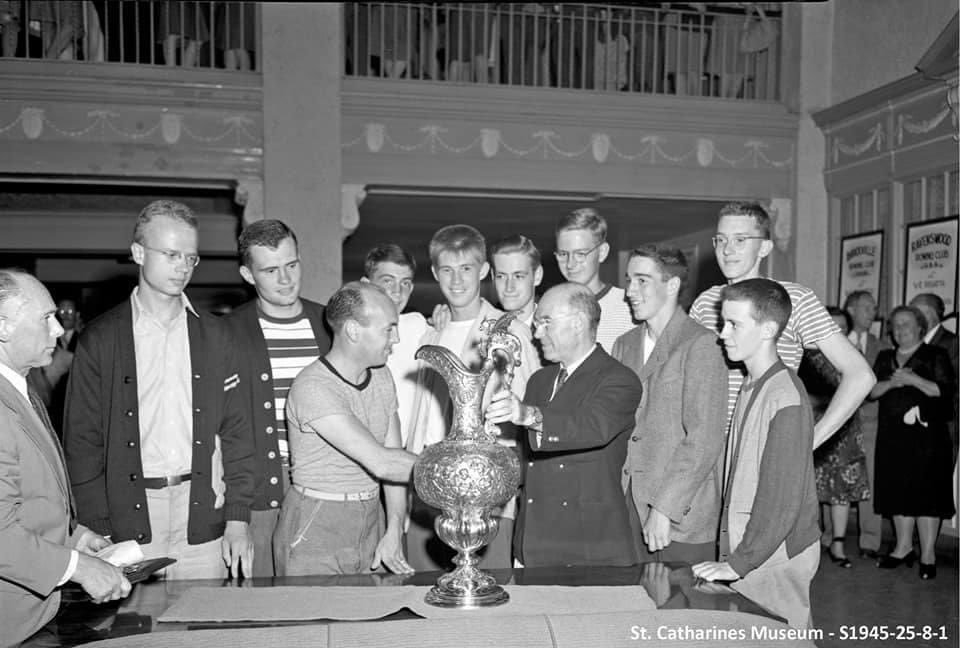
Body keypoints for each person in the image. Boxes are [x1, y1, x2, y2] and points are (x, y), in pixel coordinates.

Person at [64, 200, 255, 580]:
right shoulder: (101, 339)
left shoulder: (216, 336)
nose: (183, 266)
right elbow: (82, 442)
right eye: (170, 254)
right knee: (135, 636)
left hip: (201, 512)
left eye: (191, 257)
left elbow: (237, 432)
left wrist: (238, 518)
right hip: (128, 516)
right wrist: (98, 526)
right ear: (138, 253)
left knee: (204, 636)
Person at [0, 269, 130, 646]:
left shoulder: (20, 387)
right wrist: (78, 567)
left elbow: (25, 499)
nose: (59, 330)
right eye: (46, 319)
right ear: (3, 327)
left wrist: (72, 537)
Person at [406, 225, 539, 571]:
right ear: (435, 273)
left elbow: (530, 410)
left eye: (466, 269)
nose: (457, 280)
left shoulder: (509, 332)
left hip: (487, 493)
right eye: (447, 270)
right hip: (429, 488)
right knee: (423, 598)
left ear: (482, 271)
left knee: (489, 604)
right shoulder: (430, 329)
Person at [689, 202, 875, 449]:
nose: (728, 250)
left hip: (763, 445)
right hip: (709, 449)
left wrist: (810, 442)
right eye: (721, 240)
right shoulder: (705, 303)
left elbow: (861, 375)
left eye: (740, 240)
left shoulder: (793, 299)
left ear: (764, 247)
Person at [693, 278, 820, 630]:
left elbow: (781, 498)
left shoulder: (785, 396)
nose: (722, 333)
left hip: (774, 557)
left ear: (768, 329)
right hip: (752, 551)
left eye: (734, 323)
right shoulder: (751, 386)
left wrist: (739, 562)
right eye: (722, 322)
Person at [485, 282, 642, 567]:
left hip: (586, 547)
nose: (536, 333)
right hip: (530, 543)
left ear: (579, 323)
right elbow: (526, 461)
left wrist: (529, 416)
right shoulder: (539, 381)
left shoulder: (619, 379)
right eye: (536, 324)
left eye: (546, 323)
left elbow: (592, 427)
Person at [274, 282, 416, 576]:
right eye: (388, 329)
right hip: (316, 524)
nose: (397, 338)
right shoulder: (312, 388)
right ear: (353, 330)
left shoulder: (382, 376)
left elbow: (394, 457)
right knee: (314, 620)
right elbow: (383, 463)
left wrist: (393, 529)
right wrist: (456, 466)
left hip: (370, 519)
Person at [221, 220, 331, 578]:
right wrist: (236, 517)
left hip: (322, 489)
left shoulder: (330, 325)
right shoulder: (226, 332)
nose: (285, 280)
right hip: (257, 493)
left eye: (292, 265)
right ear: (248, 274)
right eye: (270, 270)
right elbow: (221, 430)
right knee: (263, 610)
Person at [612, 245, 728, 563]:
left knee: (679, 609)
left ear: (672, 285)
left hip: (679, 515)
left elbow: (703, 440)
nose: (629, 291)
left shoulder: (701, 344)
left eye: (642, 280)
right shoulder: (625, 344)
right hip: (627, 503)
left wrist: (664, 508)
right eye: (629, 280)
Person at [870, 305, 954, 580]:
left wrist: (914, 380)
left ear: (920, 327)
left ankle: (927, 554)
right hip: (893, 437)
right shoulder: (884, 357)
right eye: (895, 325)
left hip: (928, 438)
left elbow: (944, 392)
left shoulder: (935, 355)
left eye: (906, 324)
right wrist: (892, 384)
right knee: (898, 490)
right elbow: (871, 391)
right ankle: (902, 548)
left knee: (927, 493)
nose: (900, 330)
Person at [799, 306, 871, 569]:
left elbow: (864, 387)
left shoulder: (854, 355)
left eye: (842, 326)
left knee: (841, 489)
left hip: (845, 429)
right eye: (832, 325)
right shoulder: (806, 355)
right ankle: (811, 540)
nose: (837, 331)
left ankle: (838, 544)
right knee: (812, 488)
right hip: (813, 425)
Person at [843, 290, 887, 559]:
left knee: (871, 480)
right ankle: (829, 535)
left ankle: (870, 541)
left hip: (870, 421)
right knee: (832, 478)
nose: (872, 313)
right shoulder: (833, 340)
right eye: (867, 307)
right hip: (840, 420)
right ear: (851, 309)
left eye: (873, 308)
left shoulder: (881, 346)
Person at [554, 207, 634, 353]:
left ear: (602, 252)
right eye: (563, 254)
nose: (570, 264)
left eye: (580, 254)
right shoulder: (549, 308)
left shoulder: (629, 308)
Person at [909, 293, 958, 460]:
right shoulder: (911, 344)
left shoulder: (952, 344)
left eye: (914, 312)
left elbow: (952, 389)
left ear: (929, 314)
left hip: (941, 428)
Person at [490, 234, 543, 328]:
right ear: (493, 277)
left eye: (518, 276)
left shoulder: (555, 331)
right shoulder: (482, 333)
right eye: (501, 276)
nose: (509, 287)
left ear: (537, 276)